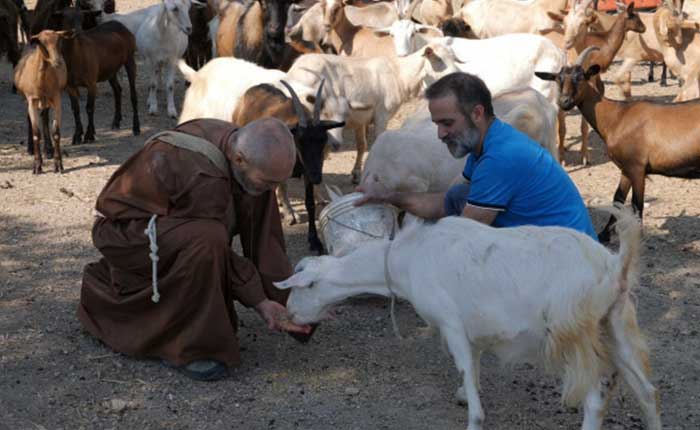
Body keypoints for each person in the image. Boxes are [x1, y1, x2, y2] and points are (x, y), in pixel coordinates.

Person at [79, 117, 312, 382]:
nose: (274, 190)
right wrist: (258, 301)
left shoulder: (240, 150)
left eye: (278, 182)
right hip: (123, 233)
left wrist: (293, 301)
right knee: (206, 240)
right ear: (239, 160)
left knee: (250, 201)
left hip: (167, 227)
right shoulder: (206, 176)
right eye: (269, 181)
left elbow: (264, 236)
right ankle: (193, 346)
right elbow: (215, 252)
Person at [355, 72, 597, 239]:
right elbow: (444, 202)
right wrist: (388, 196)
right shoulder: (488, 145)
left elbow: (461, 233)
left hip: (569, 269)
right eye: (437, 124)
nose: (440, 134)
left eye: (447, 123)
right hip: (556, 250)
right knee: (459, 195)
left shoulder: (500, 159)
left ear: (477, 114)